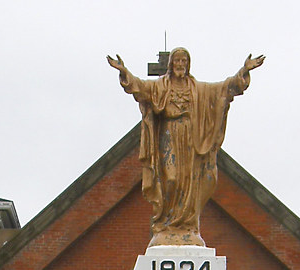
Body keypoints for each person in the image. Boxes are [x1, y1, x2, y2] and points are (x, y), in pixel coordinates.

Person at [107, 48, 264, 247]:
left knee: (189, 181)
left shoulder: (198, 89)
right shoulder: (160, 86)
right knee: (171, 179)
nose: (180, 64)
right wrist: (124, 72)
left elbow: (224, 89)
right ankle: (166, 224)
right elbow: (140, 87)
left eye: (184, 61)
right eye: (177, 61)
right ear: (171, 64)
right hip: (168, 135)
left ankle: (187, 226)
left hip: (190, 138)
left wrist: (244, 71)